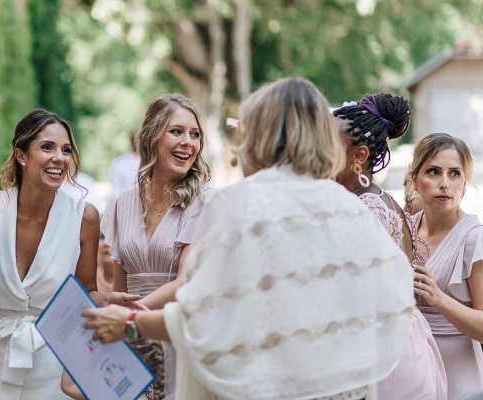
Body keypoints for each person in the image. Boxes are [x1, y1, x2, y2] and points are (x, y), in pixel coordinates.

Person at [83, 78, 415, 400]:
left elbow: (203, 316)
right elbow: (393, 299)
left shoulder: (240, 207)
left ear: (260, 137)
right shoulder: (348, 209)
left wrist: (130, 323)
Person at [0, 109, 102, 399]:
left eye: (66, 150)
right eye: (47, 147)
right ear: (21, 155)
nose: (59, 158)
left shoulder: (84, 217)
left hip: (53, 358)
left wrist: (118, 307)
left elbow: (86, 291)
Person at [334, 95, 447, 399]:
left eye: (327, 147)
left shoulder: (366, 210)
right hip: (404, 342)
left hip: (383, 356)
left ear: (359, 156)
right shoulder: (385, 202)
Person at [100, 93, 211, 399]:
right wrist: (115, 323)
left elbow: (185, 281)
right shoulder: (122, 203)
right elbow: (118, 284)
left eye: (195, 134)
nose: (188, 142)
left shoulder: (203, 203)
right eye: (177, 131)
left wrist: (133, 318)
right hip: (129, 337)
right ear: (152, 137)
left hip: (175, 333)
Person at [410, 133, 483, 400]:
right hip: (411, 373)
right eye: (433, 172)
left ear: (464, 184)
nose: (445, 184)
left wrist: (440, 300)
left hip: (459, 378)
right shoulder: (403, 228)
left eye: (454, 174)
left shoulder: (475, 238)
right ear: (415, 179)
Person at [109, 130, 141, 195]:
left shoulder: (155, 162)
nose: (140, 142)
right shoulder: (120, 163)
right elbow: (116, 190)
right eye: (137, 139)